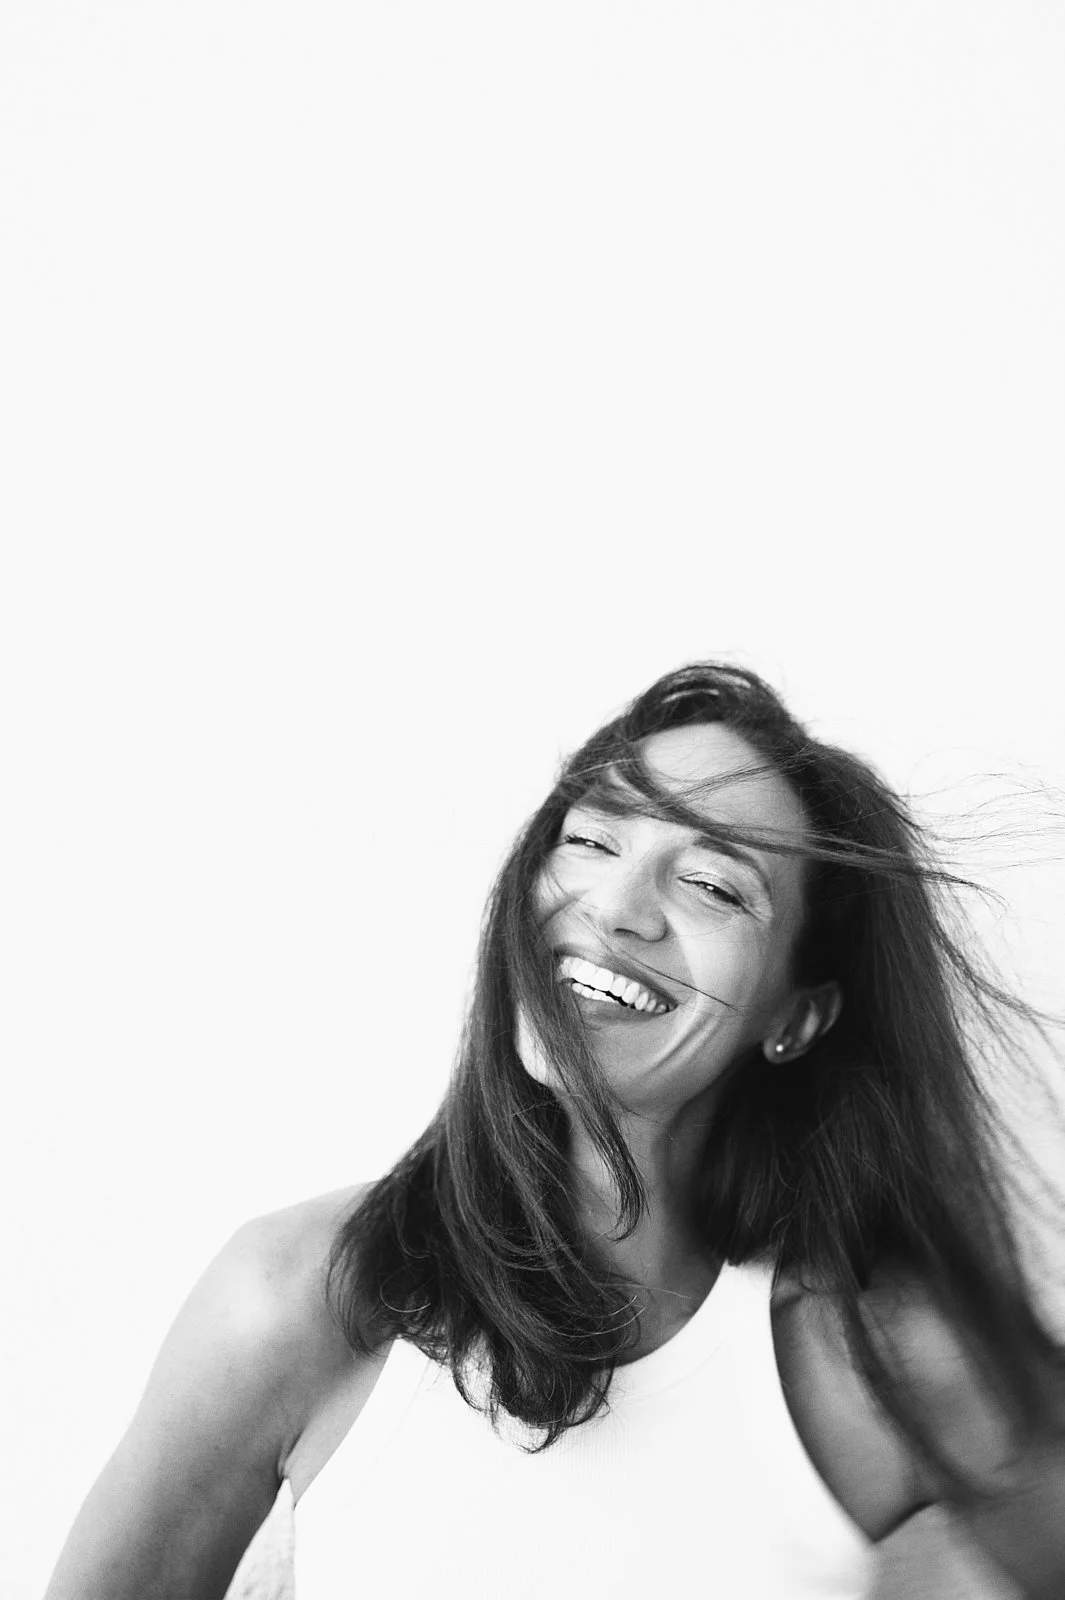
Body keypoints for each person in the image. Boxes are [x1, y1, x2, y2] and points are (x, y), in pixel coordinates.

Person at [44, 662, 1065, 1599]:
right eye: (590, 838)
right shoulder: (303, 1296)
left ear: (795, 1019)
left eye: (713, 884)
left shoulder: (885, 1366)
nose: (614, 906)